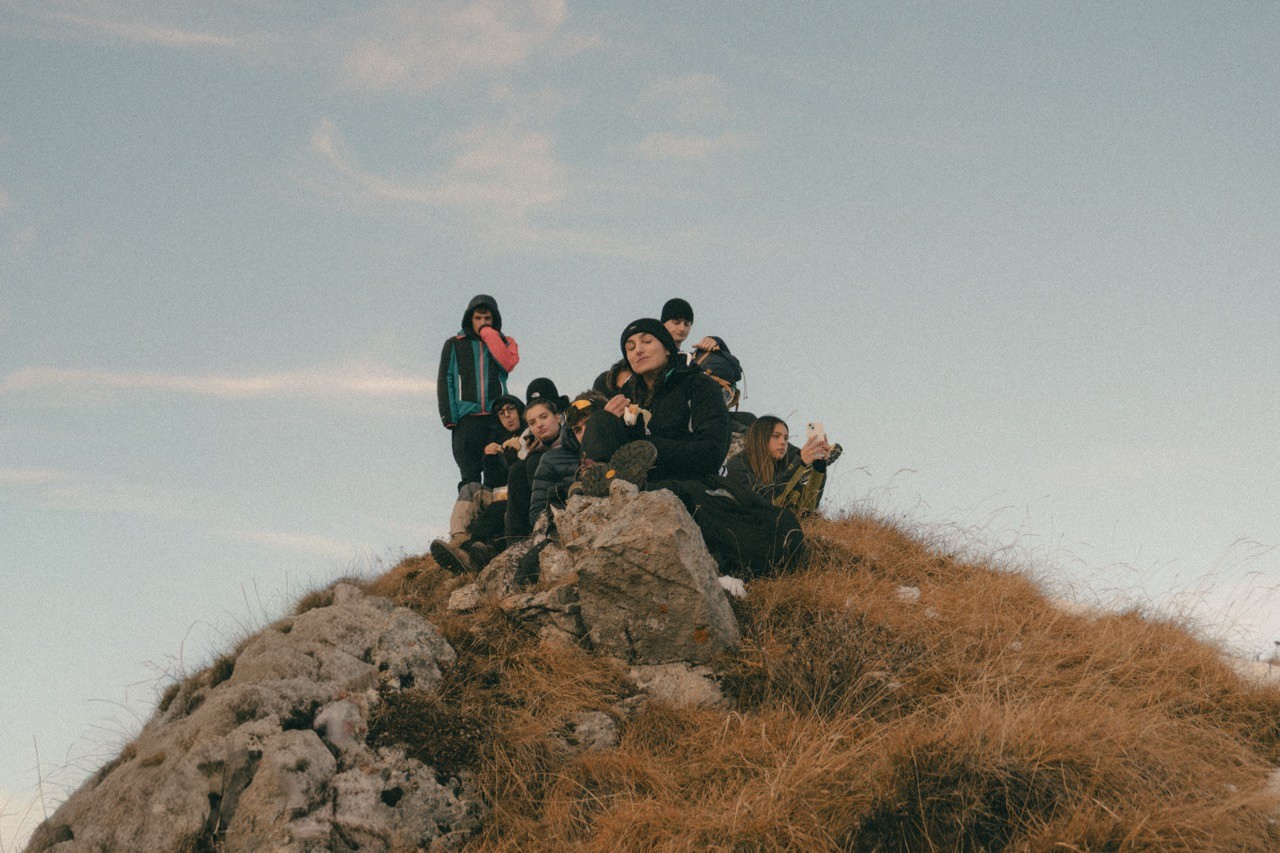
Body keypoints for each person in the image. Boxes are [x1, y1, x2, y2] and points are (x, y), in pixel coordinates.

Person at [577, 318, 730, 495]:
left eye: (647, 341)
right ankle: (592, 479)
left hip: (694, 481)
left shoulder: (699, 384)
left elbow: (712, 453)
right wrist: (610, 425)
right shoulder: (628, 397)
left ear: (667, 349)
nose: (638, 350)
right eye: (630, 348)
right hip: (643, 481)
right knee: (601, 418)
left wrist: (646, 446)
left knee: (656, 490)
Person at [437, 295, 520, 491]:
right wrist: (449, 417)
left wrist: (489, 335)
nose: (483, 322)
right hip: (467, 418)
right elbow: (446, 379)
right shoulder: (455, 344)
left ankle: (498, 508)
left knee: (498, 469)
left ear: (494, 320)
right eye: (478, 318)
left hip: (495, 416)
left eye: (487, 318)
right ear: (469, 319)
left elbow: (507, 364)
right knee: (470, 475)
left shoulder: (504, 342)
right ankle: (470, 509)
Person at [724, 416, 837, 515]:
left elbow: (807, 505)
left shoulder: (780, 466)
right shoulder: (738, 464)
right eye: (776, 436)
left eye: (786, 438)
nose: (783, 442)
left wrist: (819, 464)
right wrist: (800, 462)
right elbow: (763, 503)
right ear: (760, 438)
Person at [660, 298, 743, 409]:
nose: (682, 328)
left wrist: (717, 342)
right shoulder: (653, 354)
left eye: (687, 324)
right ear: (663, 323)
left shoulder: (688, 358)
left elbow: (730, 371)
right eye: (676, 322)